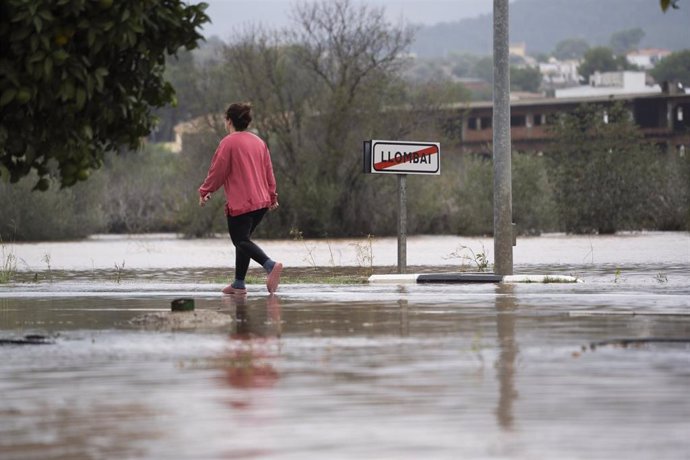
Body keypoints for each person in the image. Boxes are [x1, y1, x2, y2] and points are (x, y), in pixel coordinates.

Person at [198, 102, 283, 294]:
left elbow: (217, 171)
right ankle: (238, 284)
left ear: (229, 121)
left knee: (240, 240)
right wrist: (272, 196)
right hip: (261, 203)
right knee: (243, 240)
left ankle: (270, 265)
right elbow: (269, 172)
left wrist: (205, 190)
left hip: (242, 204)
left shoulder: (228, 143)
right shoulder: (259, 142)